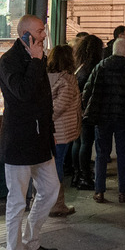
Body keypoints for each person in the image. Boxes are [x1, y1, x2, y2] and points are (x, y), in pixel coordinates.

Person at [0, 15, 61, 250]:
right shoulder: (9, 61)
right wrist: (35, 60)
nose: (44, 34)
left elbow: (42, 99)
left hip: (40, 140)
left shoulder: (38, 56)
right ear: (24, 34)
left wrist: (50, 133)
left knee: (51, 189)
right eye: (39, 31)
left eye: (44, 30)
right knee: (16, 203)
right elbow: (22, 93)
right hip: (19, 142)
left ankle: (31, 242)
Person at [82, 36, 125, 203]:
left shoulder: (101, 66)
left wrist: (90, 108)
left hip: (103, 117)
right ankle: (123, 191)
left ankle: (99, 191)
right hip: (124, 118)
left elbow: (88, 90)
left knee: (101, 154)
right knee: (123, 154)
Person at [46, 44, 81, 218]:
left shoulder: (46, 77)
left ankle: (45, 201)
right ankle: (57, 204)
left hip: (48, 130)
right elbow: (58, 107)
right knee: (56, 165)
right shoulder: (67, 80)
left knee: (47, 165)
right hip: (60, 131)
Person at [70, 34, 105, 191]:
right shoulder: (93, 68)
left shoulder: (79, 66)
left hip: (77, 111)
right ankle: (84, 176)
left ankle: (77, 175)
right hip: (87, 111)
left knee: (78, 143)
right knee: (85, 143)